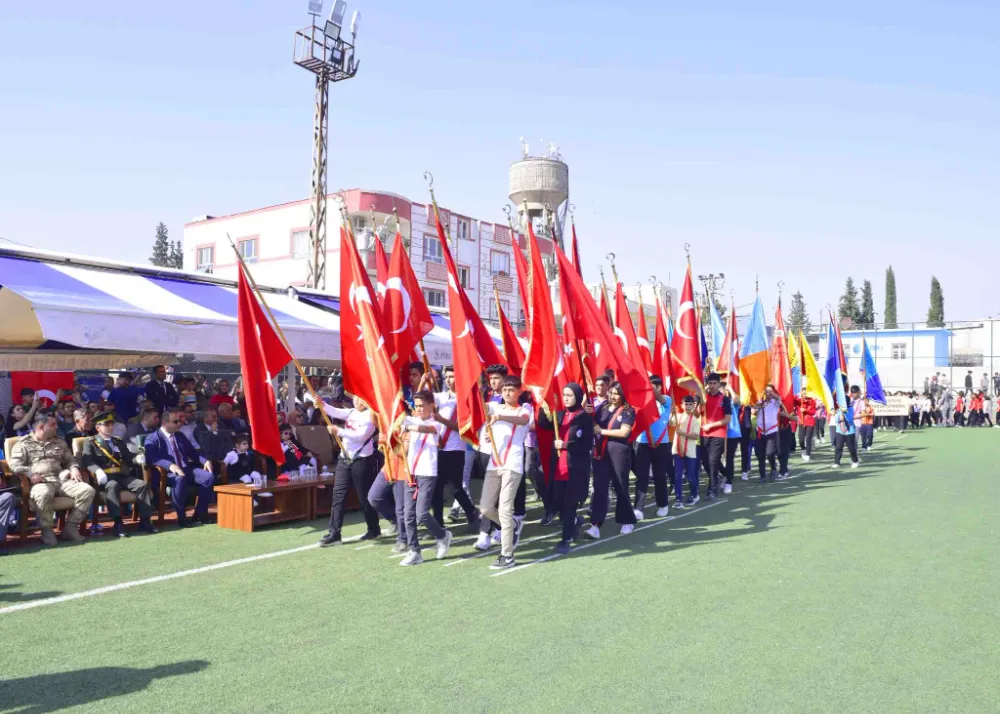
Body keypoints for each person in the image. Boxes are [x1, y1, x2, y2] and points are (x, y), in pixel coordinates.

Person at [8, 412, 96, 545]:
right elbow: (15, 465)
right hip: (40, 482)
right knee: (42, 494)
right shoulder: (23, 444)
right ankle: (47, 529)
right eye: (53, 424)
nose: (57, 427)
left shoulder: (60, 441)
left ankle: (71, 527)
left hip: (61, 480)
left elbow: (70, 460)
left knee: (87, 490)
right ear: (41, 427)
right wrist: (30, 474)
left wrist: (74, 468)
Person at [474, 375, 533, 569]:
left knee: (506, 510)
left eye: (511, 390)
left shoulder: (525, 409)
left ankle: (507, 555)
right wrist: (477, 390)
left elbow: (523, 421)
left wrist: (500, 417)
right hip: (494, 464)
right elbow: (483, 408)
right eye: (505, 390)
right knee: (485, 508)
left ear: (519, 392)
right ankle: (512, 526)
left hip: (512, 465)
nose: (507, 393)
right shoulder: (495, 406)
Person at [395, 390, 453, 566]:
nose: (418, 409)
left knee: (421, 514)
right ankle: (415, 551)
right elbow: (397, 421)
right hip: (411, 472)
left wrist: (408, 427)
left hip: (427, 472)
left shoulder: (437, 421)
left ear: (431, 405)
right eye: (416, 406)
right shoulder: (410, 420)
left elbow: (428, 429)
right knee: (408, 515)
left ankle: (442, 535)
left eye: (422, 406)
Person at [81, 410, 156, 538]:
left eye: (111, 424)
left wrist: (137, 459)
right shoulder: (91, 442)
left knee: (142, 485)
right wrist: (97, 471)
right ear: (98, 427)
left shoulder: (118, 441)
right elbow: (88, 461)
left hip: (121, 476)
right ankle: (118, 523)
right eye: (107, 424)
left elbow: (128, 457)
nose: (111, 427)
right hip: (104, 479)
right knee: (112, 486)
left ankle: (145, 521)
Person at [317, 394, 380, 546]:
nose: (358, 401)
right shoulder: (352, 412)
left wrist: (338, 431)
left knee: (364, 497)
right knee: (338, 496)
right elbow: (335, 411)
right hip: (344, 459)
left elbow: (360, 436)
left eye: (362, 398)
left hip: (362, 460)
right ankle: (334, 533)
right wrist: (321, 404)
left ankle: (374, 528)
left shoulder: (371, 416)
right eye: (357, 398)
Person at [539, 382, 594, 554]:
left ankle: (566, 538)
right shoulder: (560, 415)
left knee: (570, 503)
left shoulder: (584, 418)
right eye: (564, 395)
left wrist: (565, 444)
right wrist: (544, 404)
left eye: (570, 395)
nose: (567, 398)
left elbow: (586, 445)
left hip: (575, 468)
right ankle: (575, 522)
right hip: (558, 467)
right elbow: (543, 424)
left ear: (578, 396)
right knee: (558, 501)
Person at [142, 407, 215, 527]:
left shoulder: (179, 435)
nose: (179, 423)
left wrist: (205, 460)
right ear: (165, 423)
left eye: (179, 421)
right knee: (180, 478)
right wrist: (170, 465)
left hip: (186, 468)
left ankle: (200, 514)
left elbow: (193, 452)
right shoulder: (153, 438)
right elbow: (153, 458)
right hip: (167, 473)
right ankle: (182, 518)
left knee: (208, 477)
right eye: (175, 421)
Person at [585, 381, 637, 539]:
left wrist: (602, 431)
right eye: (611, 393)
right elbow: (593, 424)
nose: (613, 396)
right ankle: (595, 524)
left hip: (619, 452)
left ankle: (627, 520)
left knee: (620, 485)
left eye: (617, 393)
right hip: (601, 453)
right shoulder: (603, 407)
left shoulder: (629, 411)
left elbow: (624, 433)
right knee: (599, 488)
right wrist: (588, 414)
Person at [431, 366, 480, 530]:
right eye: (446, 377)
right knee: (436, 487)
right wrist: (424, 382)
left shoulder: (465, 400)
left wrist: (441, 419)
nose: (448, 380)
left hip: (455, 449)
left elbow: (462, 427)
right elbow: (421, 400)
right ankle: (438, 522)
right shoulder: (441, 396)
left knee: (454, 487)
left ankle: (472, 512)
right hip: (439, 448)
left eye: (452, 376)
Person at [472, 364, 509, 550]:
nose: (493, 382)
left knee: (493, 493)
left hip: (501, 452)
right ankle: (499, 527)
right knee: (491, 494)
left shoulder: (508, 398)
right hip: (485, 450)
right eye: (491, 378)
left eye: (496, 378)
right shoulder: (487, 394)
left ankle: (484, 534)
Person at [632, 375, 672, 517]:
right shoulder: (642, 401)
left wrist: (650, 389)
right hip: (642, 442)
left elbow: (658, 397)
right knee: (641, 476)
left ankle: (663, 504)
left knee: (659, 475)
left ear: (659, 387)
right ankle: (638, 508)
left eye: (651, 386)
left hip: (661, 443)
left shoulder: (666, 400)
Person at [700, 372, 732, 499]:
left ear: (719, 384)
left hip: (718, 434)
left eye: (714, 383)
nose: (712, 385)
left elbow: (727, 419)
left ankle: (713, 489)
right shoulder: (703, 397)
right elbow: (697, 415)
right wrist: (700, 400)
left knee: (713, 461)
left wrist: (711, 426)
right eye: (710, 383)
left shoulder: (725, 399)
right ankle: (724, 474)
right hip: (703, 434)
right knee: (706, 462)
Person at [671, 396, 701, 508]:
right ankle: (679, 498)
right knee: (677, 475)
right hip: (677, 450)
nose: (688, 406)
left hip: (690, 451)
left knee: (691, 476)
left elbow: (695, 436)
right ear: (682, 405)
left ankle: (694, 494)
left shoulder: (695, 420)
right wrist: (671, 412)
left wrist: (683, 433)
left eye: (690, 404)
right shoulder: (677, 416)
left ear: (693, 406)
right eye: (686, 404)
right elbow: (670, 423)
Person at [831, 392, 860, 469]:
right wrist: (839, 414)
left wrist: (844, 413)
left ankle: (855, 461)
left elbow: (850, 419)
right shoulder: (838, 410)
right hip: (840, 431)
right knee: (838, 447)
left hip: (849, 431)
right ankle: (837, 462)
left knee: (851, 448)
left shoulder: (850, 409)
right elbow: (836, 420)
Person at [797, 391, 817, 461]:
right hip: (801, 422)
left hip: (810, 422)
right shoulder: (799, 401)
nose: (804, 395)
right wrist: (797, 395)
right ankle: (803, 449)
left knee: (808, 439)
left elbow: (813, 412)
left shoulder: (812, 401)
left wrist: (806, 410)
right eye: (803, 393)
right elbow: (792, 400)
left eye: (805, 393)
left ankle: (808, 454)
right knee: (801, 439)